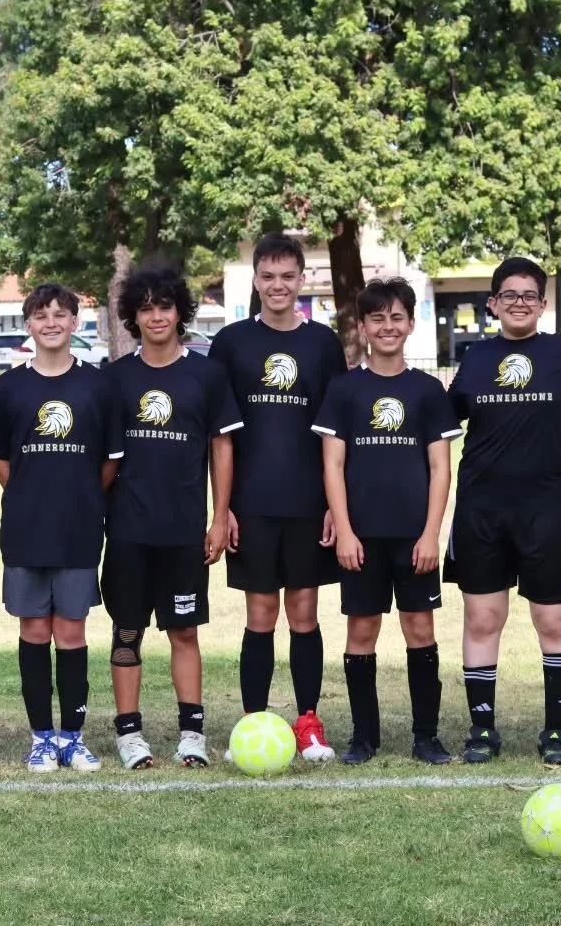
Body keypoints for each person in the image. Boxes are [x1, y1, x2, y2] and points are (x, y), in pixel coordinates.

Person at [443, 257, 561, 766]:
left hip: (549, 508)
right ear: (492, 304)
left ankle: (557, 731)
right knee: (483, 617)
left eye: (529, 295)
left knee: (553, 620)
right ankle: (481, 729)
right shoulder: (475, 357)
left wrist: (554, 414)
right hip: (482, 508)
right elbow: (453, 416)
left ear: (541, 303)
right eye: (508, 294)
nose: (518, 302)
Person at [208, 233, 346, 762]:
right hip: (252, 504)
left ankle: (308, 721)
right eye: (268, 276)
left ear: (302, 279)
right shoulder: (232, 343)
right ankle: (253, 721)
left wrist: (337, 505)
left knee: (305, 614)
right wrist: (224, 509)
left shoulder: (323, 344)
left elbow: (338, 435)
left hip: (310, 502)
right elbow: (220, 436)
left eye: (288, 276)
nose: (278, 286)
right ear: (256, 280)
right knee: (260, 614)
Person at [313, 277, 459, 766]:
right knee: (362, 632)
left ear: (411, 324)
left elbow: (441, 466)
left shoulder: (428, 390)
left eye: (397, 317)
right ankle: (364, 737)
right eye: (378, 318)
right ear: (362, 327)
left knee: (420, 628)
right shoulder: (344, 389)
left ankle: (426, 737)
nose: (388, 326)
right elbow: (332, 464)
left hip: (413, 537)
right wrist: (346, 529)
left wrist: (430, 533)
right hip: (362, 537)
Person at [102, 264, 241, 769]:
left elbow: (221, 448)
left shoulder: (206, 374)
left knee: (185, 632)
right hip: (128, 531)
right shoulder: (115, 379)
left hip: (184, 529)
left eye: (165, 305)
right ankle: (129, 735)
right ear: (132, 316)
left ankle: (192, 734)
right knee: (127, 631)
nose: (156, 315)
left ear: (181, 312)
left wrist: (220, 516)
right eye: (146, 307)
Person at [0, 284, 123, 773]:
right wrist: (25, 493)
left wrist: (81, 498)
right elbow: (1, 461)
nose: (51, 322)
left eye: (60, 314)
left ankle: (73, 737)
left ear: (75, 323)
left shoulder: (97, 386)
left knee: (71, 631)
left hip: (79, 528)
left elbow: (109, 464)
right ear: (28, 325)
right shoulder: (9, 388)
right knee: (34, 630)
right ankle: (41, 738)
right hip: (26, 528)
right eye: (41, 315)